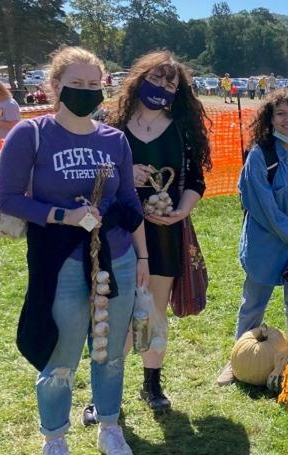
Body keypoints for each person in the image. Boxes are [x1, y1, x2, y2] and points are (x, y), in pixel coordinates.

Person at [0, 46, 149, 455]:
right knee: (61, 356)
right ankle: (56, 440)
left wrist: (142, 254)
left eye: (92, 85)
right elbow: (8, 198)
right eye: (75, 84)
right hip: (60, 261)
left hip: (115, 257)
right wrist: (63, 215)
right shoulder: (31, 134)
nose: (85, 92)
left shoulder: (113, 139)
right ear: (54, 86)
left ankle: (109, 426)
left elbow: (129, 201)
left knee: (110, 351)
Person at [86, 50, 209, 417]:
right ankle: (104, 393)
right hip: (116, 233)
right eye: (155, 79)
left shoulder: (183, 128)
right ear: (139, 79)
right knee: (112, 313)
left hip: (164, 233)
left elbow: (196, 181)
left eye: (170, 83)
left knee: (153, 310)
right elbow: (88, 173)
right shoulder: (109, 123)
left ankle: (152, 384)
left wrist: (181, 212)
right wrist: (124, 174)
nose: (162, 87)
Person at [216, 88, 288, 385]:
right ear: (270, 118)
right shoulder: (259, 155)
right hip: (267, 243)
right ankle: (238, 360)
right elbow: (266, 212)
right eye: (281, 113)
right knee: (254, 299)